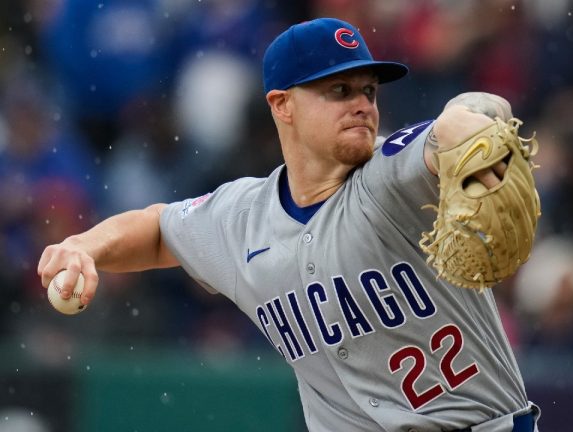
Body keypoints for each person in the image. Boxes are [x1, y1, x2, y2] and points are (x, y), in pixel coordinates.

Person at [37, 17, 541, 431]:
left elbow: (453, 128)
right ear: (282, 105)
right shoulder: (242, 218)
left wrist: (474, 114)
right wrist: (85, 245)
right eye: (339, 89)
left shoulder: (392, 176)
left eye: (368, 90)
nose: (363, 104)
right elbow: (157, 228)